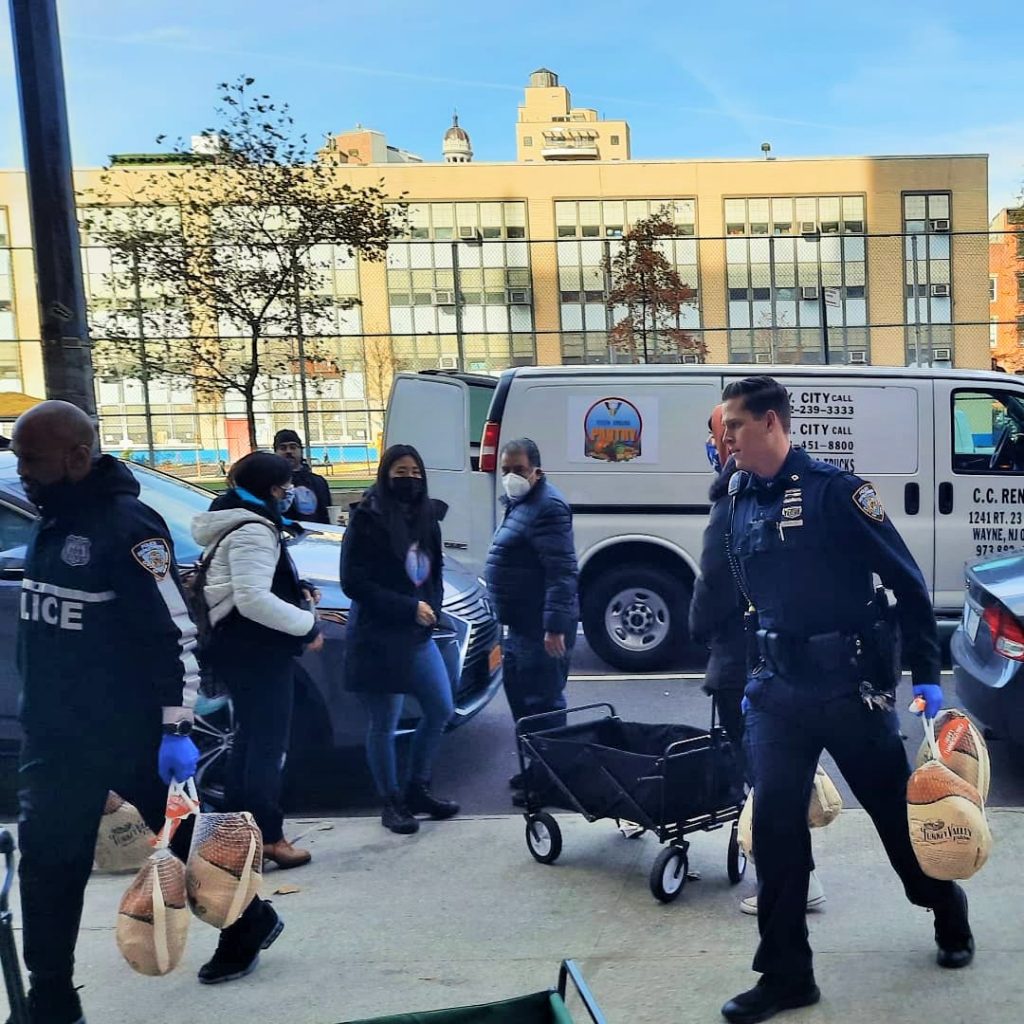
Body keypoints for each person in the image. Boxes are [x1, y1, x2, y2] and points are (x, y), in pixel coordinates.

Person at [11, 403, 284, 1023]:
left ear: (77, 457)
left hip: (132, 732)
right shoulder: (51, 518)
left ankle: (249, 919)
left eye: (32, 458)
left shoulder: (129, 528)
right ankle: (51, 998)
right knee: (48, 862)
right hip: (55, 739)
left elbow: (173, 633)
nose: (22, 470)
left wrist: (176, 728)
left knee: (186, 842)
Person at [716, 377, 974, 1024]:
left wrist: (925, 674)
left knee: (896, 816)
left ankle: (944, 906)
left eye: (736, 426)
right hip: (776, 692)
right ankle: (786, 976)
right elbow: (743, 596)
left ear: (771, 423)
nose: (727, 438)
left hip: (848, 689)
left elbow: (908, 583)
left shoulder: (836, 492)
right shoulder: (737, 495)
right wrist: (743, 677)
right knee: (775, 829)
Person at [690, 405, 826, 918]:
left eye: (720, 434)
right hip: (773, 657)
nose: (717, 443)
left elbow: (713, 581)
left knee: (765, 781)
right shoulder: (769, 492)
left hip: (741, 660)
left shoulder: (734, 500)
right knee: (776, 778)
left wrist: (697, 629)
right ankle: (794, 877)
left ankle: (791, 881)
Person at [192, 451, 321, 870]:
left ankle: (237, 840)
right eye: (286, 486)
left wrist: (297, 588)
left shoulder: (236, 519)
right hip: (257, 651)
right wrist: (308, 626)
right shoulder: (253, 528)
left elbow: (247, 583)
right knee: (266, 746)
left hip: (238, 648)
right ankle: (268, 837)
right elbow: (252, 599)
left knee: (248, 742)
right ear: (272, 489)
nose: (290, 493)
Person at [340, 444, 459, 835]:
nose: (409, 479)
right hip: (378, 637)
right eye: (400, 472)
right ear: (385, 475)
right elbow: (353, 582)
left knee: (440, 708)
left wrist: (431, 607)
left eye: (415, 472)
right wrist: (409, 607)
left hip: (418, 634)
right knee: (385, 722)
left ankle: (417, 788)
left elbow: (434, 573)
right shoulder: (367, 519)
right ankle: (390, 802)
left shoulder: (427, 517)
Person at [484, 438, 578, 802]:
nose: (511, 477)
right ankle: (537, 769)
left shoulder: (548, 507)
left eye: (519, 470)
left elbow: (561, 572)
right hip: (519, 625)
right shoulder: (520, 504)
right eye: (506, 470)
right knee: (523, 702)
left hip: (540, 628)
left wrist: (554, 627)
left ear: (536, 471)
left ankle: (551, 782)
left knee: (543, 705)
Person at [273, 428, 333, 523]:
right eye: (283, 448)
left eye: (293, 447)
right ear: (275, 452)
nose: (288, 451)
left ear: (301, 451)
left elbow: (326, 514)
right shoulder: (270, 482)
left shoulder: (318, 482)